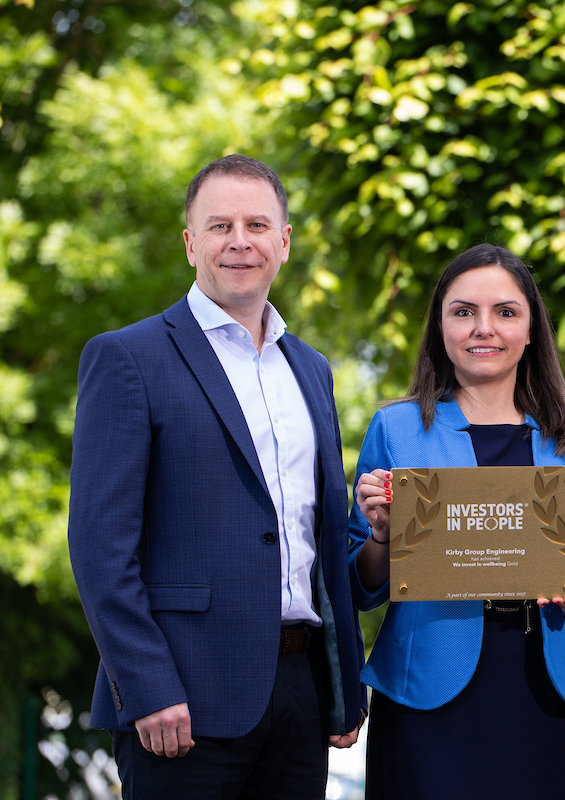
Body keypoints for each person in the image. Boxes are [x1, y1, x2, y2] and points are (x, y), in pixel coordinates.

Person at [67, 154, 365, 799]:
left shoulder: (311, 370)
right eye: (219, 225)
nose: (239, 241)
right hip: (181, 702)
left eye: (257, 225)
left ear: (284, 242)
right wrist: (147, 686)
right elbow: (99, 546)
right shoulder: (127, 358)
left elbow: (318, 539)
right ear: (190, 243)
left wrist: (344, 688)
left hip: (301, 694)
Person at [350, 243, 565, 800]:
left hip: (546, 692)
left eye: (505, 311)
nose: (484, 329)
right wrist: (381, 534)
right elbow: (361, 584)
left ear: (530, 329)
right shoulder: (396, 429)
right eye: (463, 311)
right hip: (428, 689)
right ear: (440, 327)